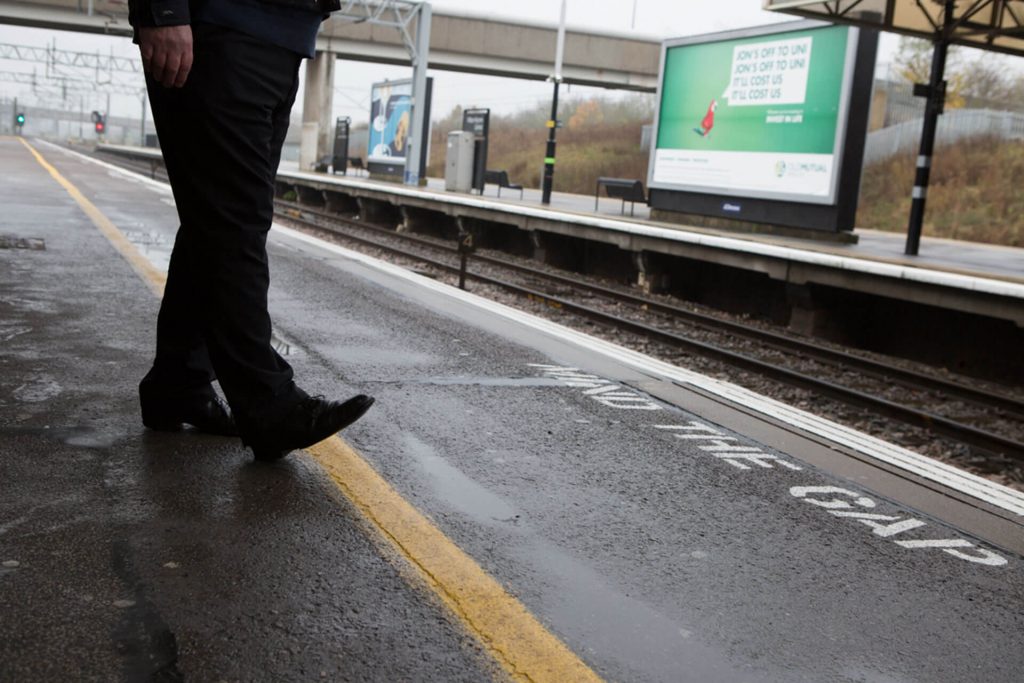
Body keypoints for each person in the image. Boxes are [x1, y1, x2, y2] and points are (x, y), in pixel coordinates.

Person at [129, 0, 374, 461]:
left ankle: (178, 382)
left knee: (217, 220)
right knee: (234, 223)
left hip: (282, 37)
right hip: (221, 27)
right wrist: (163, 10)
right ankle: (269, 405)